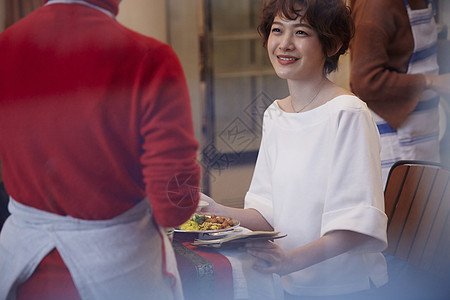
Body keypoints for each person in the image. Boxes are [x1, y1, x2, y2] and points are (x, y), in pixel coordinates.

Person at [0, 0, 200, 299]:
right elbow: (174, 206)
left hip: (25, 275)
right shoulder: (150, 60)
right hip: (120, 276)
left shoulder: (5, 49)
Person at [201, 0, 388, 298]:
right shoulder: (275, 114)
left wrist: (289, 261)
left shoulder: (347, 113)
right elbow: (268, 215)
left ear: (332, 44)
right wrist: (212, 210)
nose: (284, 44)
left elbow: (357, 226)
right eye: (277, 30)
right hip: (291, 286)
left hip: (346, 289)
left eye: (301, 32)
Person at [350, 0, 450, 186]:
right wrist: (430, 82)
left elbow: (407, 49)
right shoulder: (376, 6)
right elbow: (364, 81)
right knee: (403, 210)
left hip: (424, 131)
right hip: (395, 140)